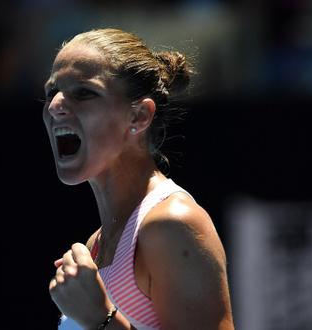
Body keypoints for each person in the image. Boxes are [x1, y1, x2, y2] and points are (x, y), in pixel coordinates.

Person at [43, 28, 234, 330]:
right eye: (51, 93)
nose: (54, 107)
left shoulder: (171, 224)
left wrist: (100, 318)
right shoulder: (98, 244)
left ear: (139, 116)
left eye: (83, 93)